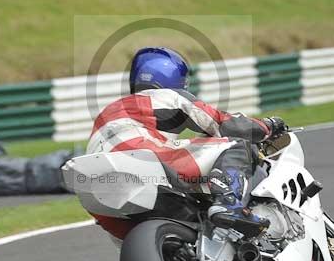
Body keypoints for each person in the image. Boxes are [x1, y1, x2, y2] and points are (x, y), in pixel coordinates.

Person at [86, 47, 286, 237]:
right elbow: (225, 124)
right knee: (235, 144)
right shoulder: (169, 96)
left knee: (168, 235)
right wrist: (267, 126)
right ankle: (228, 202)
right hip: (142, 160)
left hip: (94, 188)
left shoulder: (107, 112)